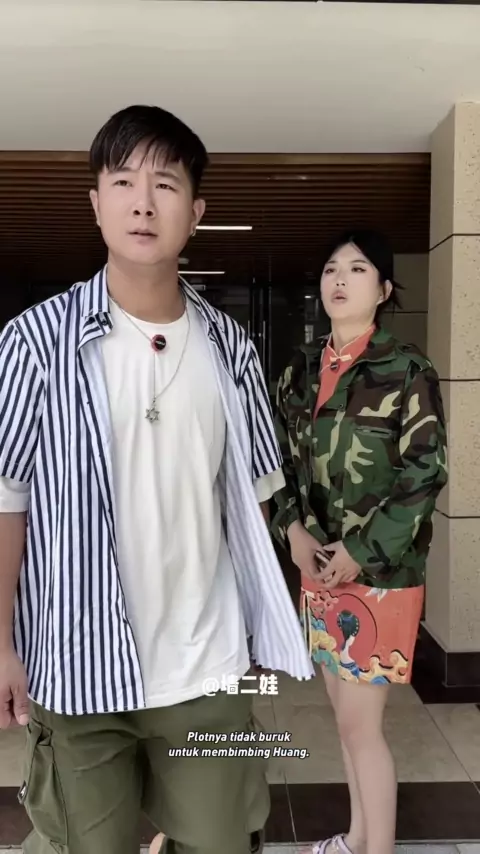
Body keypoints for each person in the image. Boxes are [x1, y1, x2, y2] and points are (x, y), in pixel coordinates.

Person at [0, 104, 314, 854]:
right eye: (123, 181)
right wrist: (0, 642)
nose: (143, 202)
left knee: (223, 841)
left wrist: (276, 600)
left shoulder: (230, 346)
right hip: (75, 665)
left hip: (208, 669)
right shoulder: (35, 343)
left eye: (165, 184)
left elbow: (256, 489)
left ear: (195, 212)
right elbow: (6, 500)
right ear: (96, 204)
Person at [271, 229, 448, 854]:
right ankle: (356, 838)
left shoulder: (407, 370)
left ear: (384, 289)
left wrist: (360, 552)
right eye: (330, 268)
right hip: (318, 570)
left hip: (380, 576)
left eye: (357, 268)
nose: (340, 278)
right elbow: (278, 468)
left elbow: (424, 474)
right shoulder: (299, 371)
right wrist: (292, 531)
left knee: (361, 727)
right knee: (343, 721)